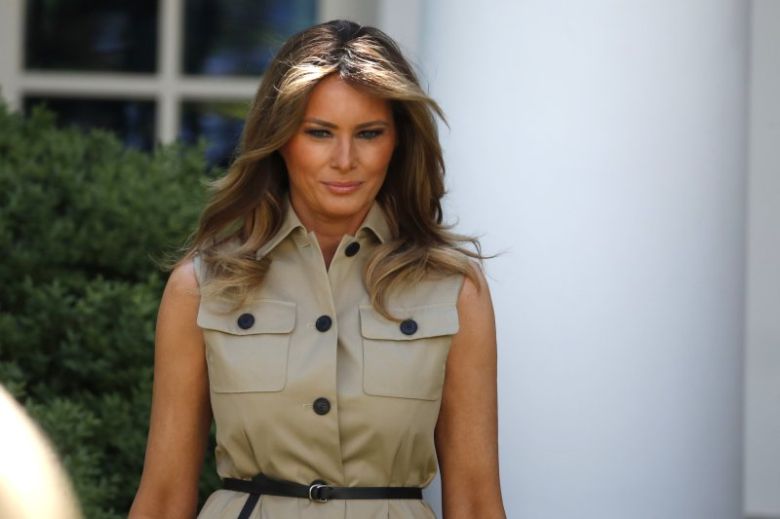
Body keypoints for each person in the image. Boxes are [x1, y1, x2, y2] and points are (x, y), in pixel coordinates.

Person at [129, 19, 505, 519]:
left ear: (398, 142)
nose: (345, 160)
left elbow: (476, 500)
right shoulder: (201, 286)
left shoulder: (454, 290)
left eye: (369, 133)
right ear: (281, 139)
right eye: (320, 133)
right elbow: (162, 497)